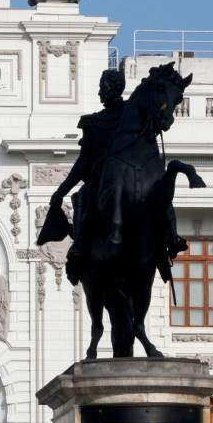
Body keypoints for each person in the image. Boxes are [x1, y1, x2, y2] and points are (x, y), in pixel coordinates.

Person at [40, 69, 127, 285]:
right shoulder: (95, 122)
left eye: (101, 87)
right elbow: (83, 163)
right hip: (110, 180)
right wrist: (61, 190)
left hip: (118, 178)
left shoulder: (131, 114)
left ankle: (78, 249)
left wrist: (61, 192)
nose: (99, 92)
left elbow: (82, 164)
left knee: (82, 199)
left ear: (109, 89)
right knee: (82, 198)